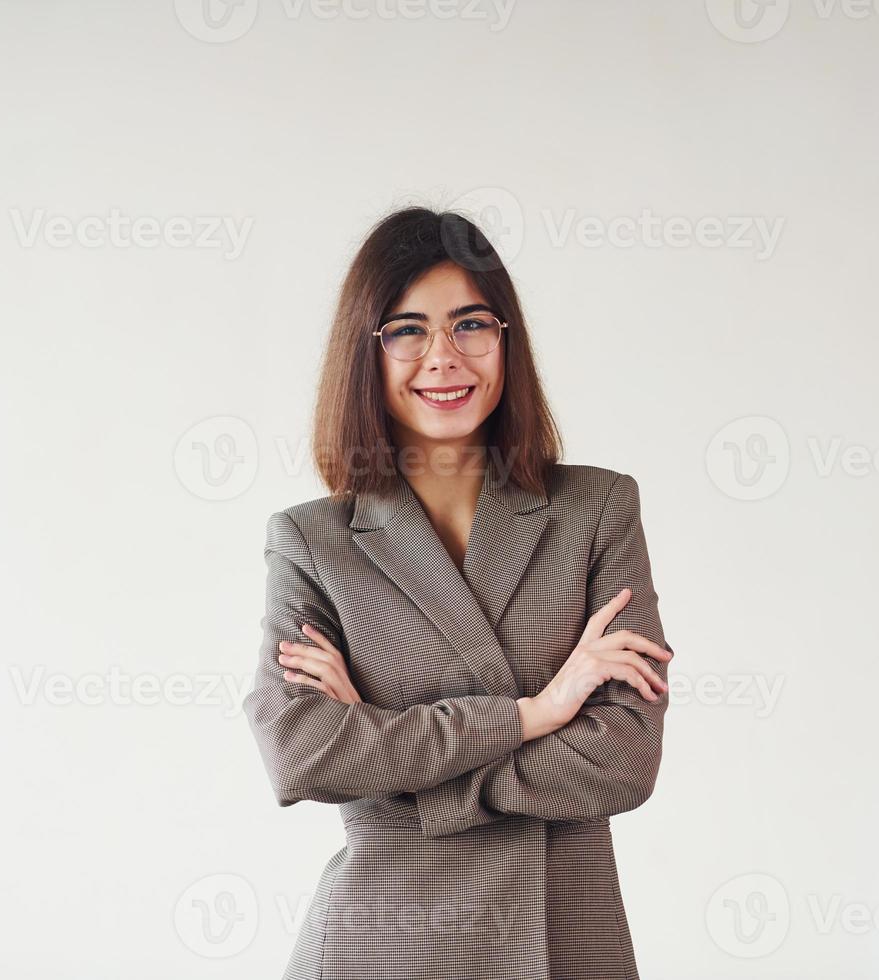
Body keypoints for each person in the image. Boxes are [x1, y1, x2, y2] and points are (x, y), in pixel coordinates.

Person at [245, 206, 675, 980]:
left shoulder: (597, 510)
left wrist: (384, 753)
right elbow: (301, 753)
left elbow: (624, 762)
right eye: (407, 330)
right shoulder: (313, 541)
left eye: (470, 323)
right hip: (382, 942)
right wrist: (533, 714)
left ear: (506, 338)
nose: (443, 357)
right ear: (366, 354)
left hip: (562, 941)